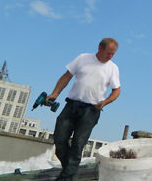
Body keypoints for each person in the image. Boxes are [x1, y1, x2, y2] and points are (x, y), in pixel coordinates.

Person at [46, 38, 121, 181]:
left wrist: (105, 102)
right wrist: (55, 93)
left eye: (113, 54)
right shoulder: (83, 58)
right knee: (60, 139)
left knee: (78, 143)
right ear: (99, 48)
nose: (110, 56)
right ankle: (71, 171)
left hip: (92, 110)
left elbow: (116, 90)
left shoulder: (113, 68)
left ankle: (66, 177)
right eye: (108, 53)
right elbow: (66, 77)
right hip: (72, 105)